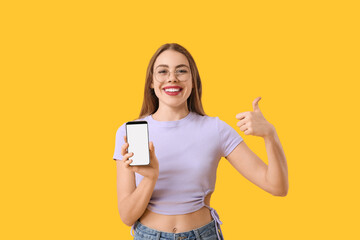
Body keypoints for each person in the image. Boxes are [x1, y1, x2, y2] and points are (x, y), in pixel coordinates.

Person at [113, 43, 289, 240]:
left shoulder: (215, 129)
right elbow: (127, 216)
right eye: (163, 71)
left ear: (193, 81)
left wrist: (270, 135)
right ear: (151, 82)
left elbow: (277, 187)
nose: (172, 77)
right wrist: (151, 178)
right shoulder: (128, 133)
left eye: (181, 71)